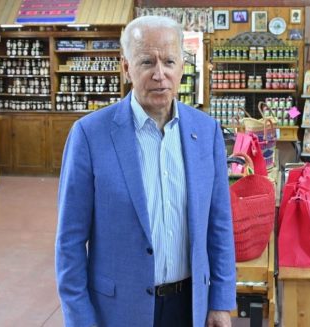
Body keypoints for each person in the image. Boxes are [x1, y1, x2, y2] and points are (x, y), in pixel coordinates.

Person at [55, 16, 236, 327]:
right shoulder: (90, 135)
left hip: (189, 306)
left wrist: (220, 302)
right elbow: (70, 242)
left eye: (168, 61)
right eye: (146, 62)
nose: (159, 74)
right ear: (126, 67)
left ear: (182, 65)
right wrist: (80, 320)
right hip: (118, 310)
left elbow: (219, 225)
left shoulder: (206, 132)